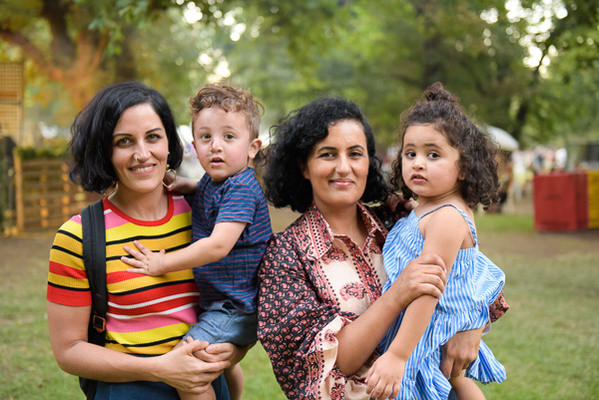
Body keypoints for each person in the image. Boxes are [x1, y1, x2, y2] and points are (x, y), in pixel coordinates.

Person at [257, 96, 508, 400]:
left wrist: (471, 327)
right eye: (327, 154)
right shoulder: (286, 255)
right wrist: (399, 292)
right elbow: (331, 364)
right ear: (304, 166)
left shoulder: (398, 219)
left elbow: (468, 273)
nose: (344, 167)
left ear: (369, 162)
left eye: (355, 154)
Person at [47, 82, 242, 400]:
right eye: (124, 141)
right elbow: (68, 351)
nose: (142, 154)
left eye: (153, 137)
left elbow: (238, 301)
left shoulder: (208, 217)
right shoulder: (79, 236)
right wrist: (161, 368)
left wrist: (232, 352)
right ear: (104, 151)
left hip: (207, 386)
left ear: (169, 142)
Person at [123, 83, 272, 400]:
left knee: (188, 370)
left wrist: (162, 262)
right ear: (194, 145)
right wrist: (176, 182)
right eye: (206, 137)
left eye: (229, 137)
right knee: (223, 365)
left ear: (252, 147)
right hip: (222, 303)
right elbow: (199, 188)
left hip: (235, 308)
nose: (215, 146)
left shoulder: (242, 188)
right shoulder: (217, 180)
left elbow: (218, 246)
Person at [366, 82, 507, 400]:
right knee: (454, 383)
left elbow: (428, 290)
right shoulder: (427, 206)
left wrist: (399, 355)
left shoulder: (446, 216)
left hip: (428, 329)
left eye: (433, 154)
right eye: (410, 153)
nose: (417, 162)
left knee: (448, 383)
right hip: (422, 328)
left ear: (463, 167)